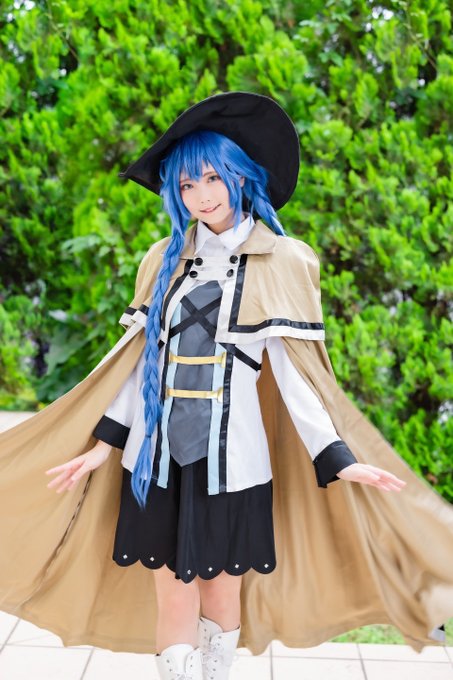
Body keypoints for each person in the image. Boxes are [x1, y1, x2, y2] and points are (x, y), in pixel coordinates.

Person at [1, 92, 451, 680]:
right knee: (171, 595)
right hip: (154, 463)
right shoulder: (163, 259)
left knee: (220, 594)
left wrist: (339, 457)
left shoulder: (283, 260)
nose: (201, 195)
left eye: (213, 177)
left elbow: (296, 378)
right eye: (187, 184)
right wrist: (102, 446)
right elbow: (140, 367)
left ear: (241, 176)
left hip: (234, 464)